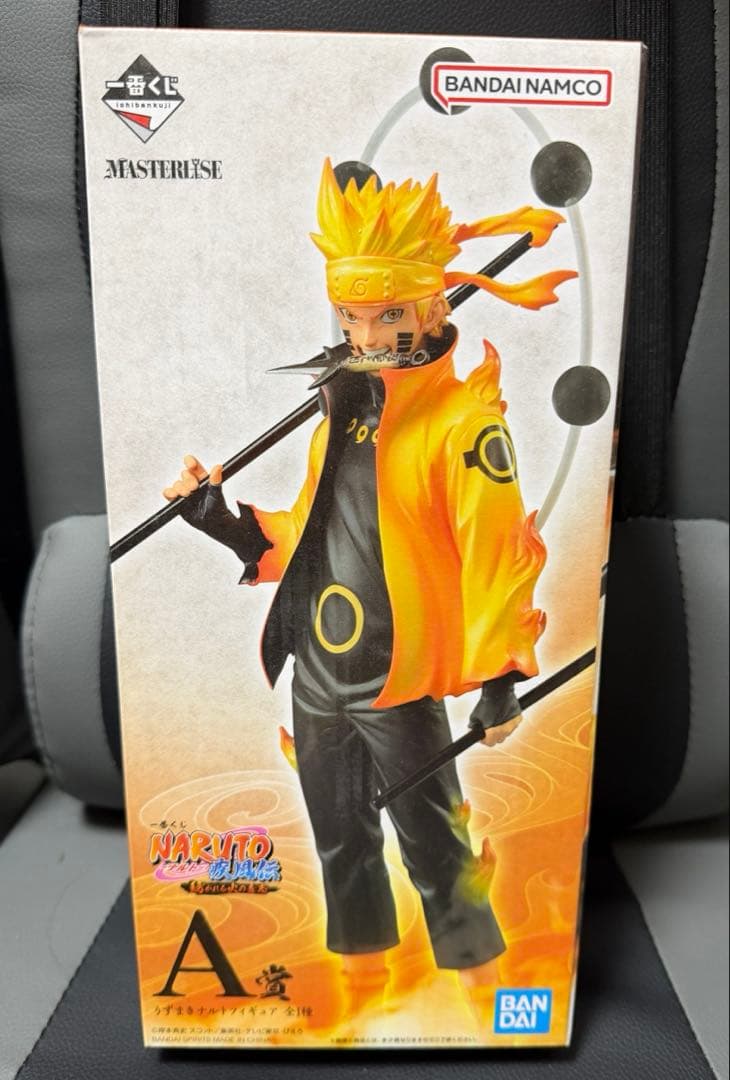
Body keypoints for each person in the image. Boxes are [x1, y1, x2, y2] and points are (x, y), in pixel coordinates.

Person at [163, 159, 576, 1025]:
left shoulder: (464, 426)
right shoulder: (343, 416)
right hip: (318, 673)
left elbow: (495, 551)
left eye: (388, 314)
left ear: (432, 308)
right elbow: (312, 535)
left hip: (399, 679)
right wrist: (221, 520)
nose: (367, 333)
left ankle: (488, 1012)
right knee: (341, 847)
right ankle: (358, 1012)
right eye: (350, 316)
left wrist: (501, 676)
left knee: (438, 851)